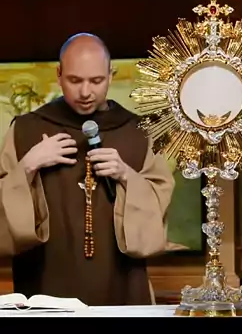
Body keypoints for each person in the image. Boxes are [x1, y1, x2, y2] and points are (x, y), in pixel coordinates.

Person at [0, 33, 175, 305]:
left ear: (111, 75)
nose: (85, 92)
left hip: (121, 279)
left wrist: (126, 175)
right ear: (59, 75)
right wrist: (28, 166)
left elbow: (158, 200)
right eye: (75, 80)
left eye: (96, 81)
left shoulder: (138, 132)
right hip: (46, 279)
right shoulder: (26, 129)